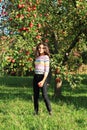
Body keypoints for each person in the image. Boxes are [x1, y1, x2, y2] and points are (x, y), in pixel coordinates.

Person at [33, 42, 52, 115]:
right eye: (39, 48)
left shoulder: (46, 57)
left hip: (43, 77)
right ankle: (36, 112)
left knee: (44, 95)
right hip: (36, 76)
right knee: (35, 95)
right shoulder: (37, 57)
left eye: (42, 48)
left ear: (45, 49)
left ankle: (50, 111)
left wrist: (43, 81)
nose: (41, 49)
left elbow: (46, 70)